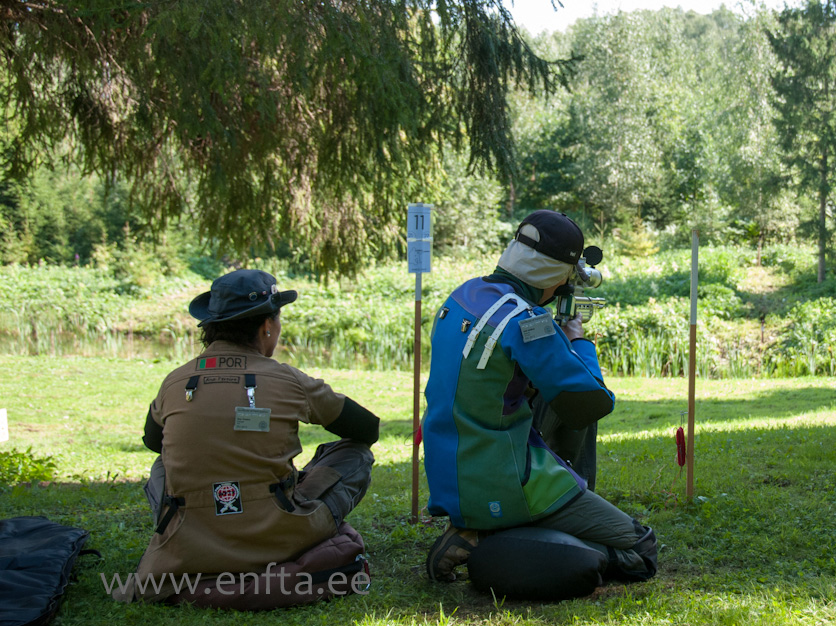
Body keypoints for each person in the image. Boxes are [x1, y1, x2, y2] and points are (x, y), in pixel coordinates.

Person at [115, 269, 380, 602]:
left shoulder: (175, 381)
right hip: (277, 535)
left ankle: (194, 536)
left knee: (161, 466)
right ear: (267, 325)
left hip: (189, 535)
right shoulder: (288, 379)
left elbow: (154, 442)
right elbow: (366, 429)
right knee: (356, 454)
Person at [421, 210, 657, 584]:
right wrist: (578, 340)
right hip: (505, 480)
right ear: (556, 275)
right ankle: (484, 537)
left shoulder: (464, 294)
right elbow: (589, 403)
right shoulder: (527, 321)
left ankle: (486, 527)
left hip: (452, 474)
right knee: (641, 550)